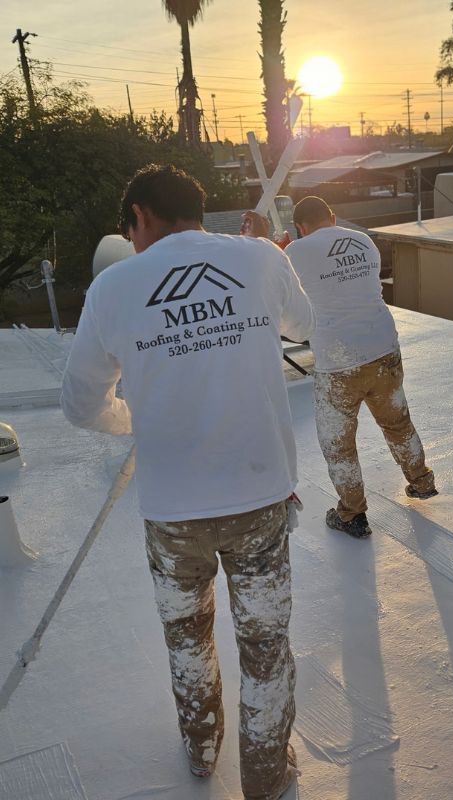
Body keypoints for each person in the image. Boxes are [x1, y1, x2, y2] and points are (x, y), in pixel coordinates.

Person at [61, 164, 314, 800]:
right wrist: (261, 276)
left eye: (130, 229)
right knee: (265, 646)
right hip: (259, 503)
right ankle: (265, 779)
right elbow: (305, 328)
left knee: (187, 637)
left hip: (172, 514)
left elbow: (81, 405)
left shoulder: (113, 287)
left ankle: (202, 750)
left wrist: (133, 418)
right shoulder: (261, 257)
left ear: (141, 216)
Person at [243, 196, 437, 539]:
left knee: (338, 444)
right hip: (384, 348)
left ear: (300, 227)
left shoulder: (295, 252)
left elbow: (271, 284)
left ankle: (352, 515)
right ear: (331, 216)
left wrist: (278, 250)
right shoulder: (362, 241)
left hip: (339, 363)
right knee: (397, 422)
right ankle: (422, 482)